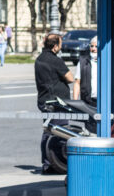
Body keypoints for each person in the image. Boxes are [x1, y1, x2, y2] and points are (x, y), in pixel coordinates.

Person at [35, 33, 75, 173]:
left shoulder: (39, 59)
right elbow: (70, 78)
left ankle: (46, 163)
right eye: (60, 44)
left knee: (47, 132)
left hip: (44, 100)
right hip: (57, 102)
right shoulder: (55, 60)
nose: (61, 47)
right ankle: (57, 164)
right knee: (60, 132)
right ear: (55, 46)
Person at [72, 36, 98, 105]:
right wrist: (75, 102)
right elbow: (77, 83)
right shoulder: (82, 62)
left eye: (96, 46)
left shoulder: (106, 62)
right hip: (87, 101)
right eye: (92, 46)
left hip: (102, 100)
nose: (93, 49)